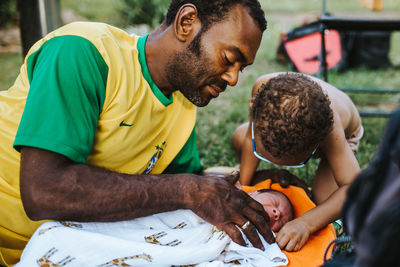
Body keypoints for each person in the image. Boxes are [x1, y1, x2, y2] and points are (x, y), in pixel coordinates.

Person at [0, 1, 272, 266]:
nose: (233, 79)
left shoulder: (182, 106)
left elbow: (183, 181)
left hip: (55, 251)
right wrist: (188, 190)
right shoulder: (83, 51)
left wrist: (256, 185)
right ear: (186, 22)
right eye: (229, 59)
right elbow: (43, 191)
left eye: (242, 68)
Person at [232, 72, 362, 251]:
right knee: (240, 136)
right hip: (295, 129)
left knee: (323, 203)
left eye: (293, 163)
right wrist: (242, 187)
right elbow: (249, 138)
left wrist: (306, 223)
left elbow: (354, 187)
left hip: (344, 138)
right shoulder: (261, 92)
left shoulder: (330, 128)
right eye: (261, 153)